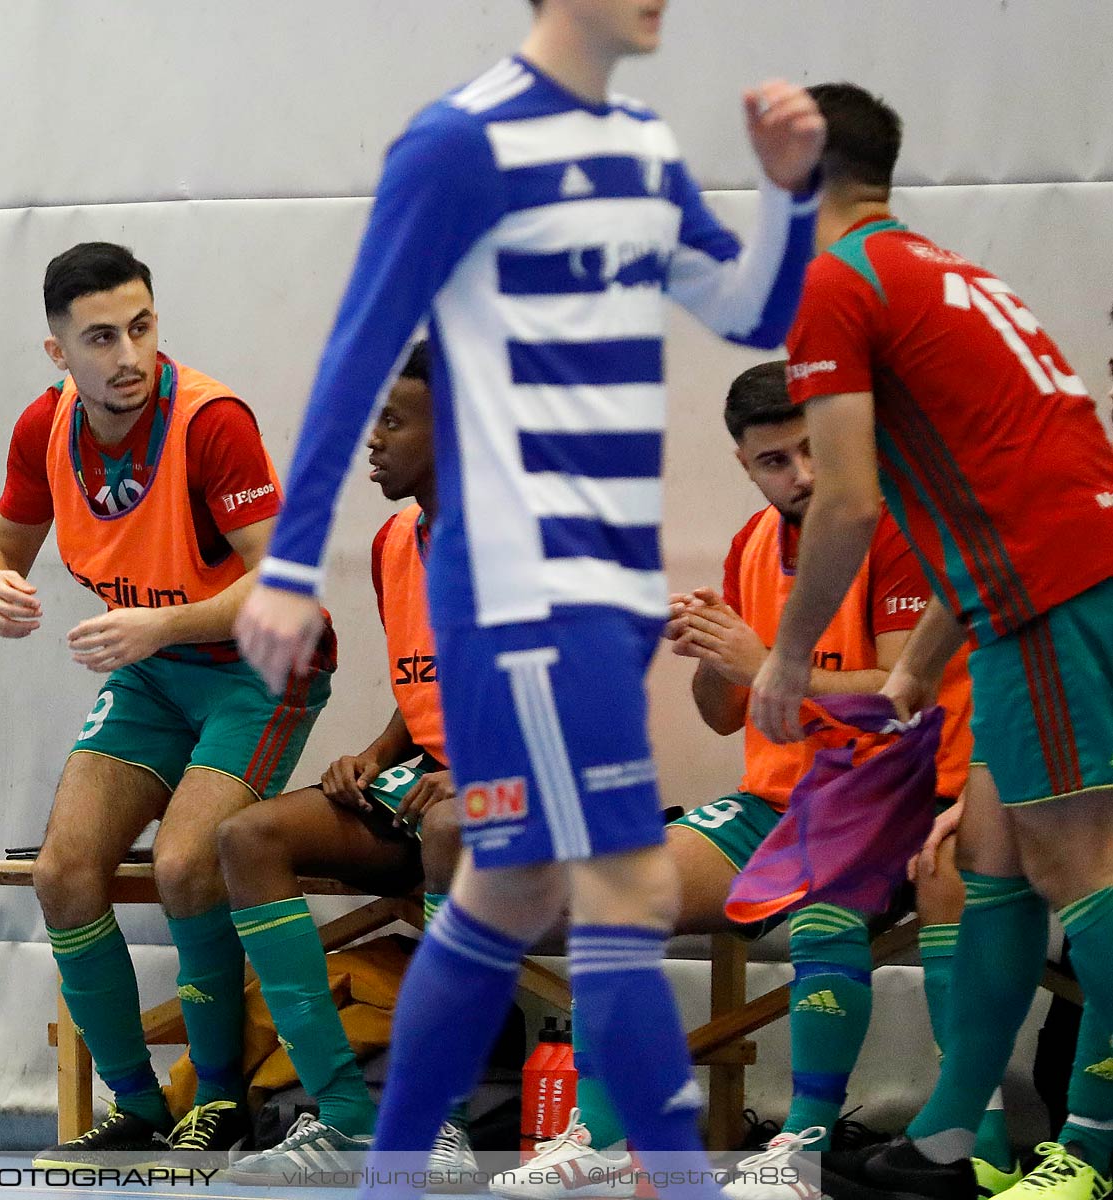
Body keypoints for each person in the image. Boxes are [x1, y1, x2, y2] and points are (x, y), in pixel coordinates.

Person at [233, 0, 825, 1193]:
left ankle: (391, 1172)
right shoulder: (458, 143)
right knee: (611, 883)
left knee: (507, 888)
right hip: (507, 585)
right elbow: (361, 345)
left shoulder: (644, 149)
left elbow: (752, 308)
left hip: (605, 588)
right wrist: (292, 565)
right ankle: (671, 1177)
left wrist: (790, 197)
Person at [490, 361, 983, 1200]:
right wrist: (711, 652)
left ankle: (803, 1144)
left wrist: (763, 663)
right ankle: (608, 1137)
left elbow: (906, 693)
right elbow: (725, 715)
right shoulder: (754, 543)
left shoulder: (897, 525)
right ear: (742, 464)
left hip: (902, 789)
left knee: (829, 896)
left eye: (810, 450)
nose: (801, 477)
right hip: (778, 800)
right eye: (774, 462)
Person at [752, 82, 1113, 1200]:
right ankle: (957, 1139)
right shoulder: (939, 269)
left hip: (1054, 590)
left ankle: (1091, 1152)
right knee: (990, 852)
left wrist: (783, 654)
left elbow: (848, 503)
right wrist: (913, 671)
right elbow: (980, 485)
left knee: (1081, 866)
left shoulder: (834, 283)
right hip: (1036, 591)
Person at [0, 242, 336, 1168]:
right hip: (157, 671)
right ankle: (133, 1108)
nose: (128, 354)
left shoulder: (212, 422)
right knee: (62, 873)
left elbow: (284, 581)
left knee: (186, 861)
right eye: (101, 337)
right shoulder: (41, 429)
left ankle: (217, 1099)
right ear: (59, 355)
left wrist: (156, 628)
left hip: (261, 666)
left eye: (142, 327)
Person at [218, 343, 478, 1183]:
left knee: (448, 825)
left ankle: (442, 1120)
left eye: (395, 423)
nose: (375, 440)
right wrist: (373, 753)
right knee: (247, 838)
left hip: (528, 790)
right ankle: (344, 1113)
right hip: (428, 780)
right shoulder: (396, 539)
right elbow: (431, 683)